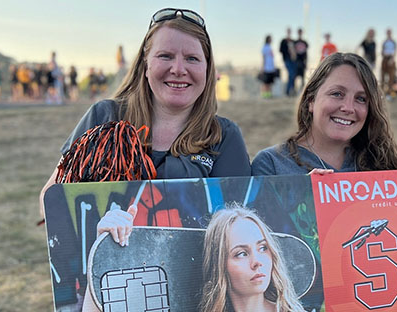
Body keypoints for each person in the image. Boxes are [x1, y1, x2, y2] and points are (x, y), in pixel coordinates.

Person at [39, 8, 251, 216]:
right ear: (145, 65)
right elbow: (51, 200)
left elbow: (239, 225)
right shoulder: (104, 116)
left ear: (207, 68)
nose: (178, 69)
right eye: (165, 56)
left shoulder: (224, 136)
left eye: (192, 58)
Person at [76, 205, 326, 312]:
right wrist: (102, 257)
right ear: (220, 267)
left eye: (262, 248)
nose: (258, 261)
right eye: (241, 253)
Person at [251, 52, 397, 239]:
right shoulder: (271, 164)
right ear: (311, 100)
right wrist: (302, 199)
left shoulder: (383, 166)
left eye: (361, 99)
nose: (348, 107)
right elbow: (261, 250)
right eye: (337, 94)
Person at [279, 27, 297, 96]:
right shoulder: (283, 41)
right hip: (287, 60)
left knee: (292, 75)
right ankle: (288, 90)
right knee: (291, 74)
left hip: (293, 60)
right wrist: (288, 50)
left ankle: (290, 91)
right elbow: (281, 50)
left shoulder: (293, 41)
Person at [381, 28, 397, 97]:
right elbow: (382, 50)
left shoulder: (393, 42)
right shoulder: (384, 42)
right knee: (383, 76)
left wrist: (392, 59)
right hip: (385, 58)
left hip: (391, 59)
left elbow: (395, 51)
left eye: (389, 32)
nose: (388, 33)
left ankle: (389, 93)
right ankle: (381, 93)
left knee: (391, 76)